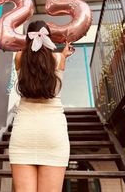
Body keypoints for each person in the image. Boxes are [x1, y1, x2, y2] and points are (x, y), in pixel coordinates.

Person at [9, 20, 75, 192]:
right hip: (53, 132)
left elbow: (30, 58)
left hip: (24, 132)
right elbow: (50, 62)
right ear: (48, 37)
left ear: (27, 39)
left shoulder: (19, 57)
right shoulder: (58, 58)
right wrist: (64, 54)